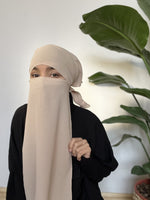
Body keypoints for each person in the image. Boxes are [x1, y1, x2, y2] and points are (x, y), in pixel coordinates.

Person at [6, 44, 118, 200]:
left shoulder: (88, 121)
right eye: (36, 75)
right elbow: (16, 174)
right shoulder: (21, 117)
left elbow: (101, 172)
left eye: (54, 75)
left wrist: (87, 156)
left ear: (68, 81)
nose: (43, 82)